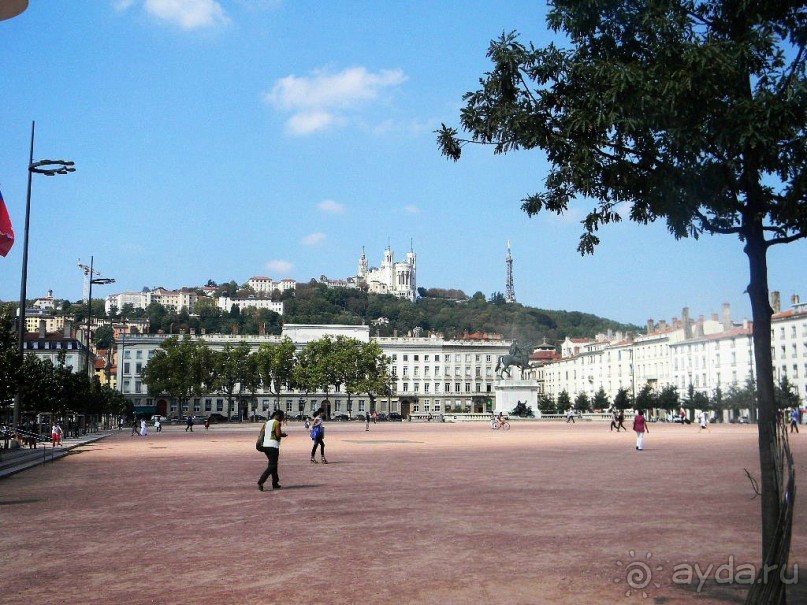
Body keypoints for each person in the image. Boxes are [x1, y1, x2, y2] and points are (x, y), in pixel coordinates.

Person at [257, 410, 287, 491]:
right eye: (282, 417)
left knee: (273, 464)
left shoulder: (267, 422)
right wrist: (283, 434)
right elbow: (277, 434)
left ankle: (275, 482)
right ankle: (261, 481)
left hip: (265, 445)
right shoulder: (277, 423)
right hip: (273, 446)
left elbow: (261, 432)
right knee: (272, 465)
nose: (282, 419)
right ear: (278, 416)